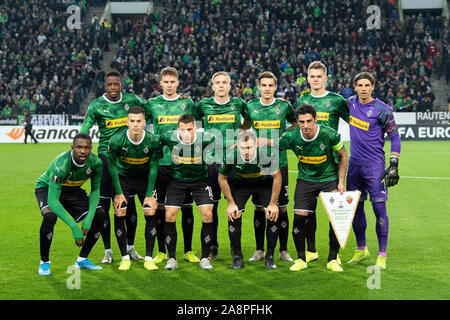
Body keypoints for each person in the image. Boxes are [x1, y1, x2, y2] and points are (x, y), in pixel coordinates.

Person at [80, 70, 145, 264]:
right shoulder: (96, 105)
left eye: (117, 84)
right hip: (106, 159)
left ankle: (130, 247)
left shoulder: (133, 100)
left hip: (129, 159)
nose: (113, 88)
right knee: (105, 206)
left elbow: (150, 111)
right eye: (110, 85)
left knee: (130, 205)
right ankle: (108, 250)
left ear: (121, 85)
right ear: (105, 86)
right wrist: (80, 145)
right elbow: (85, 127)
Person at [273, 104, 348, 272]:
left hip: (329, 178)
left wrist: (341, 182)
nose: (305, 125)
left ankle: (332, 258)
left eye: (309, 121)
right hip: (305, 180)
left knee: (335, 219)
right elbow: (274, 146)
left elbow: (343, 154)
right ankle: (301, 259)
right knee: (299, 217)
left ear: (315, 120)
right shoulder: (291, 136)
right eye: (301, 122)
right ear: (297, 122)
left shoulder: (330, 134)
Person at [295, 61, 349, 264]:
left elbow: (355, 120)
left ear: (325, 78)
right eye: (312, 76)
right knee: (308, 211)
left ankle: (334, 256)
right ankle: (311, 250)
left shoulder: (336, 100)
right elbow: (296, 123)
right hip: (309, 164)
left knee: (334, 212)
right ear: (308, 78)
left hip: (332, 165)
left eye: (319, 76)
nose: (316, 79)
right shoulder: (303, 99)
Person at [144, 67, 199, 264]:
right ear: (160, 83)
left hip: (183, 163)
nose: (169, 85)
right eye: (165, 82)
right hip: (160, 163)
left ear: (177, 83)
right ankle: (161, 251)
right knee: (160, 208)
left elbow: (200, 124)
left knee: (186, 207)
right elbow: (137, 119)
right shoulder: (152, 104)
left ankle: (188, 250)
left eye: (172, 82)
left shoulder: (187, 103)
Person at [346, 72, 401, 270]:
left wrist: (393, 163)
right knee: (355, 209)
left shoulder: (382, 109)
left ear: (372, 87)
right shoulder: (350, 104)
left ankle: (382, 254)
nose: (363, 89)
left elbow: (395, 136)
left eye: (366, 85)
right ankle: (361, 249)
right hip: (354, 166)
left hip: (374, 167)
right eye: (359, 85)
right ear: (355, 87)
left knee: (379, 209)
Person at [242, 71, 296, 263]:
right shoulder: (250, 106)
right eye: (263, 85)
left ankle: (283, 250)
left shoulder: (284, 106)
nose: (266, 89)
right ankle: (259, 250)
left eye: (270, 85)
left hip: (279, 163)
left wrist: (281, 139)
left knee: (281, 208)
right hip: (258, 164)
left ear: (275, 87)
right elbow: (245, 124)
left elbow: (296, 123)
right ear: (258, 87)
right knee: (259, 208)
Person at [35, 133, 106, 275]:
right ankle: (44, 262)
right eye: (79, 147)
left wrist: (88, 220)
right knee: (50, 216)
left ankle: (82, 259)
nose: (83, 151)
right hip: (48, 188)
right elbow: (53, 201)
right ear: (72, 148)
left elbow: (95, 190)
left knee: (100, 214)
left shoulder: (96, 163)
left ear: (91, 148)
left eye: (86, 147)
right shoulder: (62, 164)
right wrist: (74, 227)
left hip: (72, 190)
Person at [195, 71, 248, 260]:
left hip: (233, 161)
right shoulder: (204, 105)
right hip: (210, 161)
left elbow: (248, 121)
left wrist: (241, 134)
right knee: (212, 207)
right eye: (217, 82)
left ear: (230, 85)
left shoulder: (238, 104)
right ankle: (212, 247)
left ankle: (235, 248)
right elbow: (193, 120)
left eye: (224, 82)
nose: (221, 85)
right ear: (212, 85)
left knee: (235, 206)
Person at [159, 114, 218, 270]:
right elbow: (157, 144)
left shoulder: (207, 138)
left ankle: (205, 258)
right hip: (176, 181)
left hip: (200, 180)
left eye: (190, 129)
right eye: (183, 130)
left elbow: (220, 145)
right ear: (177, 129)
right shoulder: (168, 137)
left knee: (207, 214)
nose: (186, 133)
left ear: (195, 129)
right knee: (170, 214)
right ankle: (172, 259)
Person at [107, 106, 161, 271]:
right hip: (123, 178)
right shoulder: (116, 140)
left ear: (144, 122)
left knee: (150, 211)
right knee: (120, 211)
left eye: (139, 121)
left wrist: (150, 194)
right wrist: (118, 192)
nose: (135, 125)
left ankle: (149, 258)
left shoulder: (153, 140)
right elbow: (112, 166)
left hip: (144, 179)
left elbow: (153, 167)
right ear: (127, 122)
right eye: (132, 121)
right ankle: (125, 257)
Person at [218, 131, 281, 270]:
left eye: (249, 148)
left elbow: (277, 176)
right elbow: (222, 178)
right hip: (241, 184)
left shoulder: (266, 153)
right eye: (243, 148)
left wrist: (272, 203)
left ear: (256, 145)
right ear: (237, 146)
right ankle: (237, 258)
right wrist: (230, 203)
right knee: (233, 214)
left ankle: (269, 257)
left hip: (263, 183)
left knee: (272, 215)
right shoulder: (230, 155)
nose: (246, 152)